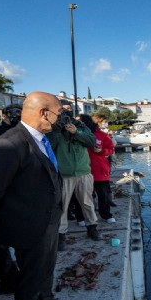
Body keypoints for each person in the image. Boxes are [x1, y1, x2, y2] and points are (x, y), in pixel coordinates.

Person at [0, 91, 79, 300]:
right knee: (30, 276)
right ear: (44, 113)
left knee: (46, 268)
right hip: (29, 224)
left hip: (49, 219)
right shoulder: (9, 144)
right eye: (59, 113)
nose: (61, 118)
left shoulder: (42, 139)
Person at [47, 107, 102, 251]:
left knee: (87, 202)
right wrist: (57, 131)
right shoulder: (53, 129)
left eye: (67, 113)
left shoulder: (80, 126)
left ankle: (92, 228)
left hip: (83, 172)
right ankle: (61, 235)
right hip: (64, 175)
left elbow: (91, 141)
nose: (65, 117)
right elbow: (49, 147)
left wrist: (76, 132)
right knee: (62, 206)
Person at [79, 114, 115, 223]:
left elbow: (110, 149)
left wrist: (102, 151)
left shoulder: (102, 135)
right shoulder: (76, 135)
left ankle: (106, 215)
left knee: (103, 195)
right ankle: (83, 216)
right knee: (84, 195)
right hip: (83, 170)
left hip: (100, 170)